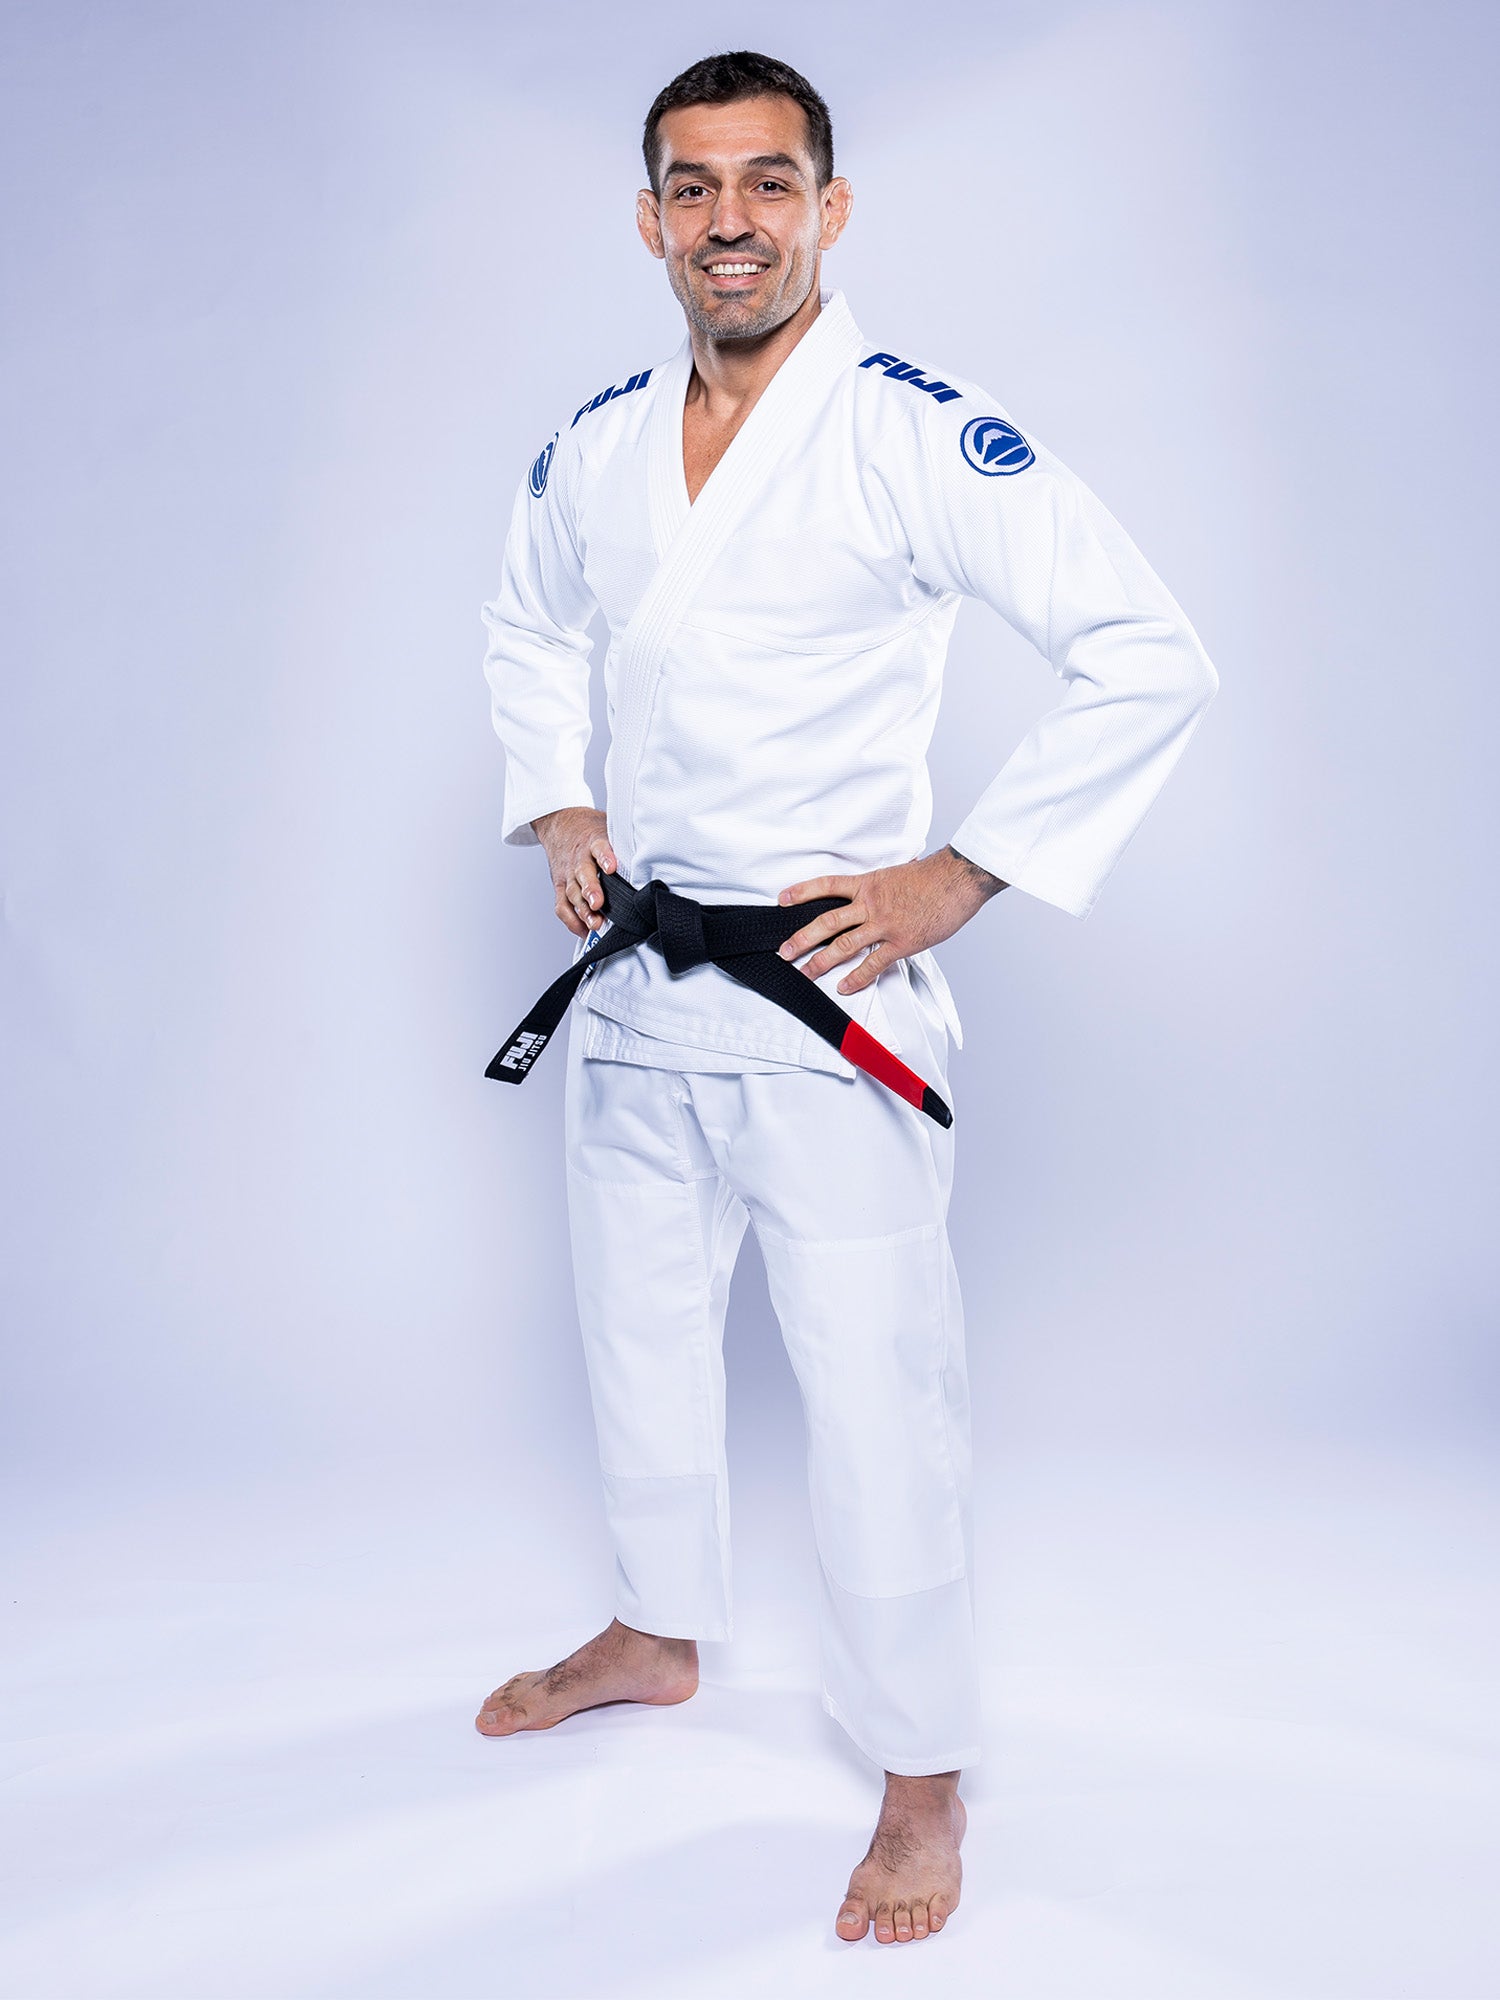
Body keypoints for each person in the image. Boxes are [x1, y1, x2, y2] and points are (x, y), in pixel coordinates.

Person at [476, 49, 1218, 1947]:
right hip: (639, 969)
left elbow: (1150, 652)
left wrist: (958, 873)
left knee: (880, 1401)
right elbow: (530, 615)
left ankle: (919, 1777)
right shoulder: (597, 439)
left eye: (771, 182)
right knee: (636, 1335)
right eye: (696, 186)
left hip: (827, 999)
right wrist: (554, 792)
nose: (734, 219)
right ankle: (656, 1627)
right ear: (650, 217)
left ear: (832, 209)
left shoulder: (912, 430)